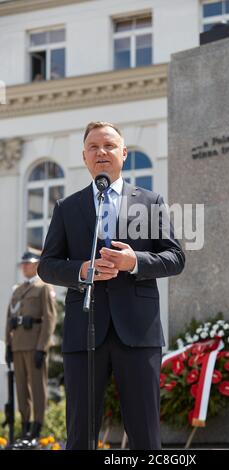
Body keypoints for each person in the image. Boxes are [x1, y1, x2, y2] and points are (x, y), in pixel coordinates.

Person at [38, 121, 185, 450]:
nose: (101, 152)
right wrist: (82, 270)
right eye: (93, 147)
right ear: (84, 157)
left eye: (108, 145)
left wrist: (134, 262)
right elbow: (46, 266)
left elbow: (175, 258)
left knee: (145, 434)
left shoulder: (149, 202)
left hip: (138, 332)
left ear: (123, 153)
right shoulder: (67, 208)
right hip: (84, 333)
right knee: (80, 435)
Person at [5, 249, 57, 440]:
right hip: (18, 344)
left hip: (35, 345)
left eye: (28, 263)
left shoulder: (43, 287)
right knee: (21, 389)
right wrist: (8, 346)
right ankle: (25, 426)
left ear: (36, 265)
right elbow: (9, 319)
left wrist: (42, 347)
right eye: (23, 264)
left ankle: (37, 426)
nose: (25, 266)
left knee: (37, 388)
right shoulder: (17, 290)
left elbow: (50, 318)